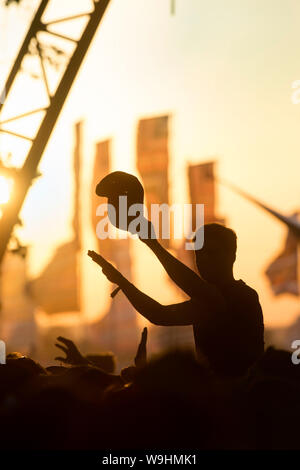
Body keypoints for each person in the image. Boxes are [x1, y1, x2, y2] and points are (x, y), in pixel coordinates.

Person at [88, 223, 264, 377]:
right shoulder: (208, 300)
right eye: (198, 254)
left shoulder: (241, 297)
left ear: (232, 256)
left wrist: (152, 244)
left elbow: (164, 311)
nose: (203, 260)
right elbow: (159, 314)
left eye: (211, 253)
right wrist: (121, 281)